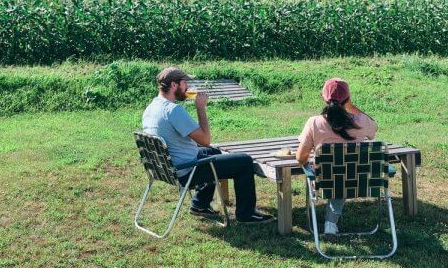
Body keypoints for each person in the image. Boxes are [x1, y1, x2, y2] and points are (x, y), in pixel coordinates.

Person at [142, 67, 274, 225]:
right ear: (174, 86)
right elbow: (204, 139)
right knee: (244, 161)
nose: (188, 88)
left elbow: (201, 144)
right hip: (186, 170)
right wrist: (200, 108)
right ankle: (246, 214)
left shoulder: (151, 107)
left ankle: (200, 205)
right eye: (185, 83)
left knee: (214, 151)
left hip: (165, 168)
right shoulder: (173, 111)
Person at [296, 77, 378, 235]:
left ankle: (329, 223)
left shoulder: (314, 123)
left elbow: (300, 158)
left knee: (336, 175)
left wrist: (308, 165)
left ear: (323, 98)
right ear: (348, 99)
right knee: (344, 173)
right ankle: (330, 223)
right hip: (360, 180)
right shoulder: (361, 121)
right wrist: (352, 107)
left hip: (326, 181)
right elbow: (374, 130)